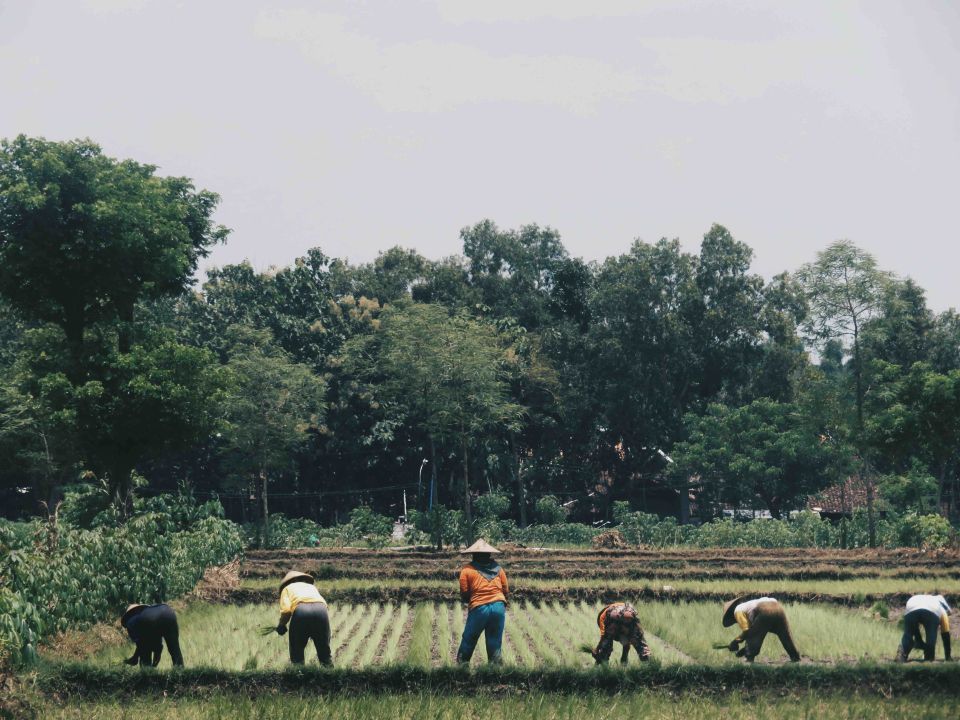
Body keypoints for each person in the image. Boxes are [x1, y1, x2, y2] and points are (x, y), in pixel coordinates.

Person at [456, 538, 508, 665]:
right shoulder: (499, 569)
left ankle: (462, 668)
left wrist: (471, 601)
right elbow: (505, 590)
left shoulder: (467, 570)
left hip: (479, 608)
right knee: (494, 641)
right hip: (498, 607)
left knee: (469, 639)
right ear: (489, 554)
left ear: (474, 555)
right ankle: (495, 670)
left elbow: (464, 592)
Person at [276, 570, 332, 665]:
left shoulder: (287, 589)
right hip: (321, 611)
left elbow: (286, 611)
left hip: (301, 611)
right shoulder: (312, 587)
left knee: (297, 650)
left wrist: (281, 625)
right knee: (324, 652)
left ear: (287, 582)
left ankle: (299, 671)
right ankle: (329, 671)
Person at [722, 596, 800, 663]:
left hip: (764, 609)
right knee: (785, 635)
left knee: (752, 636)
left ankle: (749, 659)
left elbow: (747, 631)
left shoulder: (737, 610)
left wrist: (735, 642)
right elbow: (757, 630)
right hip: (778, 606)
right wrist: (744, 649)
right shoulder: (748, 605)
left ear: (730, 614)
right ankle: (795, 657)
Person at [120, 603, 184, 667]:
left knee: (145, 654)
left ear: (129, 614)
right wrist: (157, 653)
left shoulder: (131, 621)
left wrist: (135, 658)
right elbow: (155, 640)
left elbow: (141, 644)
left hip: (150, 621)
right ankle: (180, 668)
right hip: (168, 611)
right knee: (174, 648)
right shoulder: (148, 612)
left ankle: (146, 670)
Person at [896, 594, 952, 662]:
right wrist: (948, 656)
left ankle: (901, 654)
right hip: (932, 610)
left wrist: (919, 640)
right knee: (931, 636)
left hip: (911, 606)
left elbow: (914, 627)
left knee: (908, 634)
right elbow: (945, 634)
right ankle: (928, 658)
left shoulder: (923, 598)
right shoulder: (942, 609)